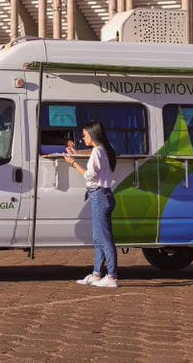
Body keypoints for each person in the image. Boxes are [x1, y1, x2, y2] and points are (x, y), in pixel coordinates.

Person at [64, 120, 119, 288]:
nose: (82, 137)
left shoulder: (98, 151)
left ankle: (112, 276)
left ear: (93, 135)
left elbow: (90, 176)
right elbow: (93, 153)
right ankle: (97, 273)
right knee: (98, 237)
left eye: (84, 135)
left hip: (99, 196)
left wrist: (73, 163)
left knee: (105, 239)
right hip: (104, 196)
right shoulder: (104, 149)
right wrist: (76, 152)